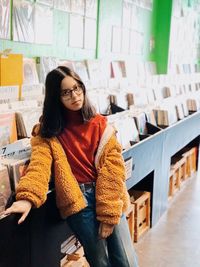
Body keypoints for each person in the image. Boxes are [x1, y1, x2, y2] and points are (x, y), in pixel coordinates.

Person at [4, 66, 138, 267]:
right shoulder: (46, 133)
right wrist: (27, 198)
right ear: (55, 97)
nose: (75, 96)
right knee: (100, 262)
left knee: (125, 259)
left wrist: (108, 213)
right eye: (66, 92)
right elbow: (39, 166)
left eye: (77, 88)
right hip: (78, 202)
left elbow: (113, 169)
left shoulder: (100, 124)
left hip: (109, 194)